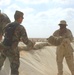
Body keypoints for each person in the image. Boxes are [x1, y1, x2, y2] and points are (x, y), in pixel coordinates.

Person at [0, 10, 35, 75]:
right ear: (20, 18)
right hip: (12, 51)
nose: (22, 19)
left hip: (3, 48)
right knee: (14, 69)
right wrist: (32, 45)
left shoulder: (7, 25)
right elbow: (25, 41)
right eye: (22, 17)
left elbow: (4, 34)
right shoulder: (20, 28)